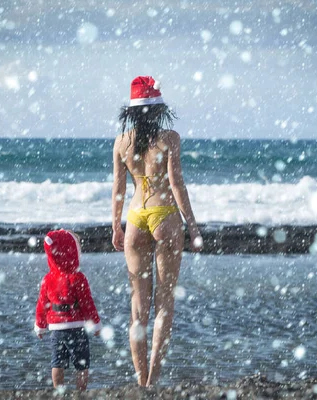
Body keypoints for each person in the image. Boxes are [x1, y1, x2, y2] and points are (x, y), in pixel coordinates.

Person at [111, 76, 203, 387]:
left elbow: (119, 191)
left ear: (132, 110)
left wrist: (115, 225)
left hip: (135, 218)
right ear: (158, 108)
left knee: (138, 310)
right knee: (164, 304)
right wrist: (192, 225)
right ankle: (153, 380)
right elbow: (176, 184)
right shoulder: (170, 138)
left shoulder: (121, 142)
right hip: (165, 217)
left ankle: (139, 382)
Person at [34, 229, 101, 391]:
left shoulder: (48, 279)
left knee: (57, 362)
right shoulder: (78, 277)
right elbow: (87, 304)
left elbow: (42, 305)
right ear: (73, 252)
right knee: (82, 364)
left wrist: (40, 325)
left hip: (57, 329)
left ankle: (59, 390)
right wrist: (95, 324)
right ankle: (81, 392)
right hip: (76, 327)